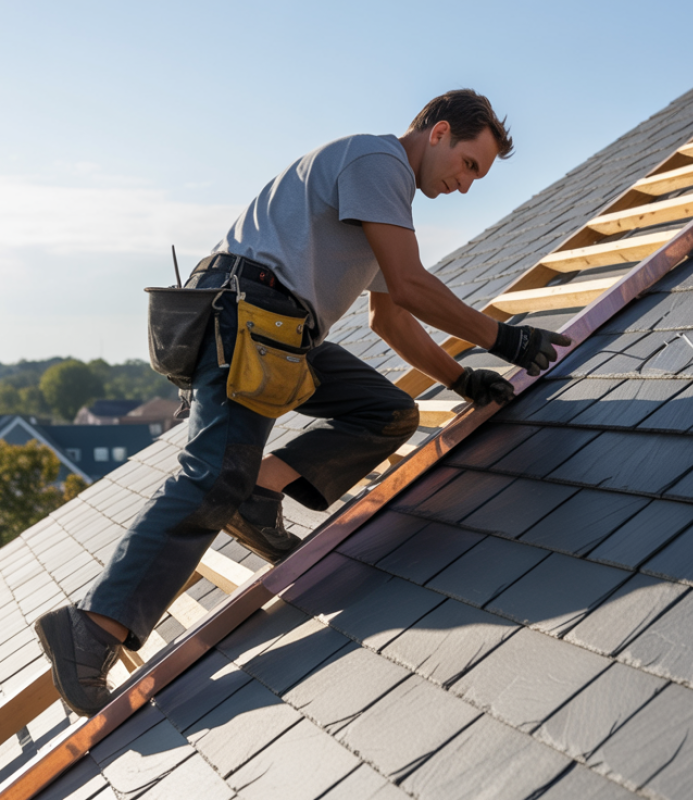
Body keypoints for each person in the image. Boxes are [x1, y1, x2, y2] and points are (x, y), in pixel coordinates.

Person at [35, 89, 571, 716]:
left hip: (283, 335)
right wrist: (503, 337)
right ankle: (91, 629)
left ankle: (261, 491)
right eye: (469, 165)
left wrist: (461, 380)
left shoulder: (382, 201)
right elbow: (411, 284)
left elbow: (391, 321)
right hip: (250, 321)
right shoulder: (378, 163)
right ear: (439, 132)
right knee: (211, 478)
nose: (466, 183)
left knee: (386, 411)